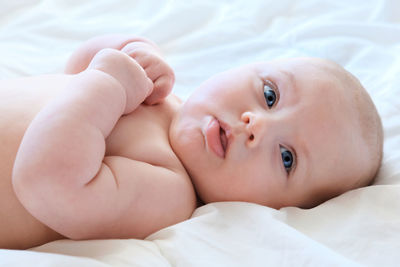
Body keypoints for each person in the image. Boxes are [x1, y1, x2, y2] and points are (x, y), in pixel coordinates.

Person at [0, 34, 383, 249]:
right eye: (270, 96)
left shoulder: (167, 190)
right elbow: (76, 72)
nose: (256, 125)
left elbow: (46, 181)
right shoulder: (162, 96)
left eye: (287, 158)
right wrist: (134, 49)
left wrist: (110, 82)